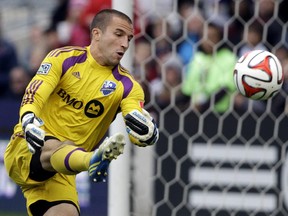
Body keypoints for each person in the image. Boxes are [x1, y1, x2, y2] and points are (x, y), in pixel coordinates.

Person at [4, 9, 159, 216]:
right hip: (29, 145)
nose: (125, 44)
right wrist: (29, 119)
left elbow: (135, 117)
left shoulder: (128, 86)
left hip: (63, 171)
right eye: (119, 34)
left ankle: (91, 160)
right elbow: (36, 92)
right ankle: (93, 160)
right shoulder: (64, 58)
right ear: (97, 34)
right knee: (59, 145)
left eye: (129, 38)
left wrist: (147, 134)